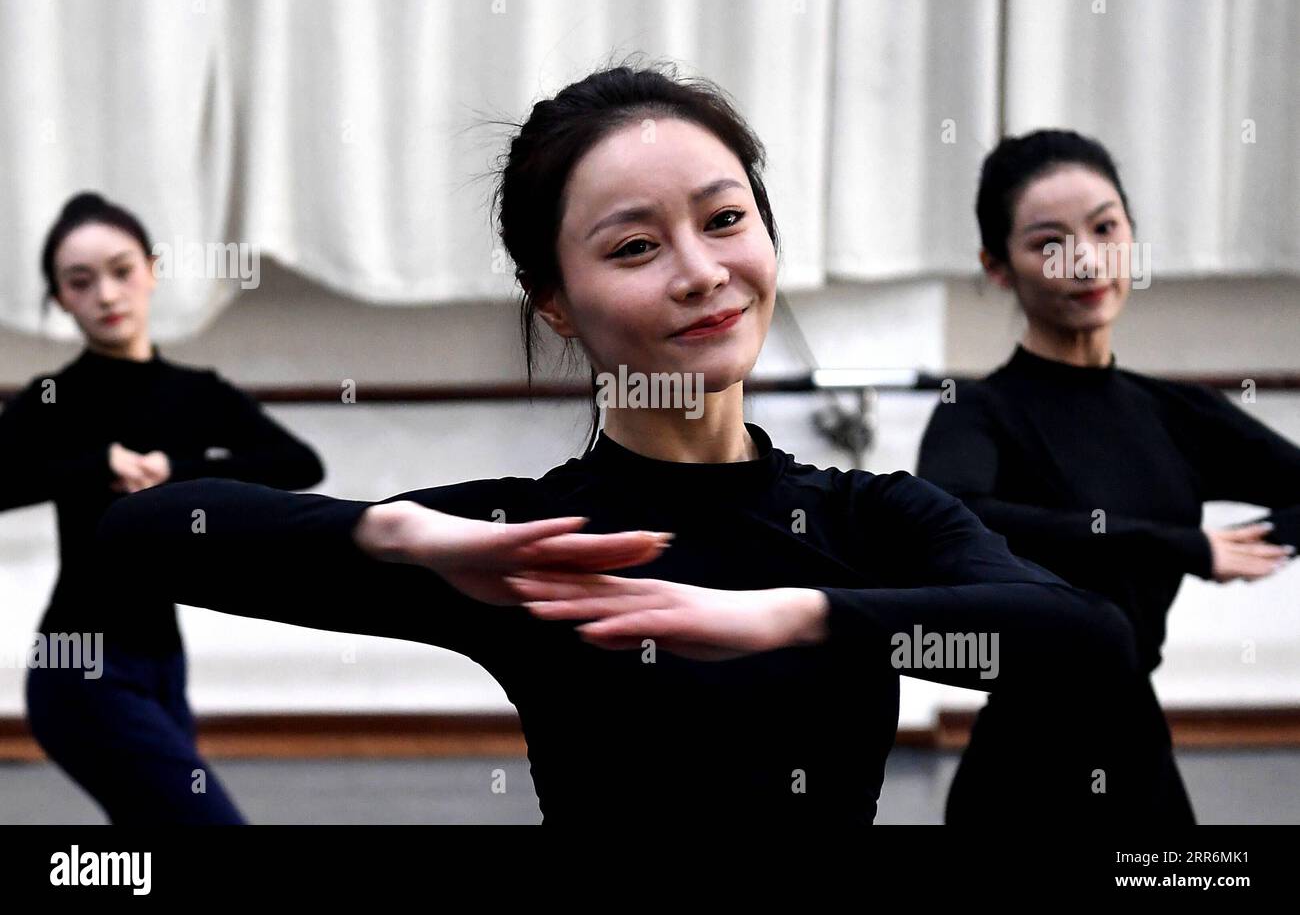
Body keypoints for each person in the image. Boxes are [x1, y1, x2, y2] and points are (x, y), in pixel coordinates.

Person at [100, 67, 1149, 825]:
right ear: (554, 302)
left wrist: (788, 617)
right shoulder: (534, 550)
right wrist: (393, 534)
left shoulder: (870, 521)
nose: (699, 272)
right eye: (635, 247)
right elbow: (140, 535)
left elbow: (1085, 648)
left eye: (725, 219)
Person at [918, 129, 1300, 823]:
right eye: (1048, 241)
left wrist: (1254, 543)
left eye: (1105, 228)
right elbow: (962, 518)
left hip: (1138, 755)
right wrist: (1184, 545)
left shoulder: (1176, 411)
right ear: (997, 265)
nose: (1087, 259)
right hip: (1023, 767)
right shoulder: (975, 412)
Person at [6, 192, 325, 823]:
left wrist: (178, 473)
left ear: (151, 271)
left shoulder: (195, 393)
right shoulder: (53, 398)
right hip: (78, 660)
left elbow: (296, 464)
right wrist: (95, 466)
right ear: (60, 299)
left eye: (121, 271)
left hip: (161, 660)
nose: (106, 294)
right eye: (80, 282)